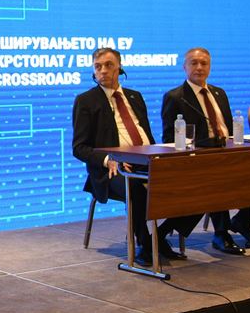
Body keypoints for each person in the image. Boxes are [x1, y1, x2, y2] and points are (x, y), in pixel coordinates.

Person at [73, 47, 200, 267]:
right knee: (135, 188)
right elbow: (79, 148)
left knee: (198, 182)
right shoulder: (86, 100)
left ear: (120, 68)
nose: (103, 71)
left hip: (146, 161)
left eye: (109, 65)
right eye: (98, 66)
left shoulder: (135, 96)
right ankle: (144, 243)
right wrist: (109, 159)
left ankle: (159, 236)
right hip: (112, 169)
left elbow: (146, 136)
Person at [161, 47, 250, 255]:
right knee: (217, 179)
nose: (199, 67)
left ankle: (242, 220)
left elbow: (229, 130)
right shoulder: (176, 97)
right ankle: (221, 233)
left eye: (204, 63)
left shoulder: (219, 93)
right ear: (184, 67)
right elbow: (169, 138)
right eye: (194, 63)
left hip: (227, 154)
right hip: (198, 159)